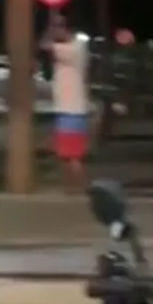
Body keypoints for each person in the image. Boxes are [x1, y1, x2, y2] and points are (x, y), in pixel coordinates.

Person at [40, 13, 90, 192]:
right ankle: (73, 188)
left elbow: (44, 44)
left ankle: (80, 188)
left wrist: (51, 30)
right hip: (74, 109)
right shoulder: (78, 47)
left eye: (59, 27)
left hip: (70, 111)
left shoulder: (71, 49)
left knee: (71, 155)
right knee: (67, 155)